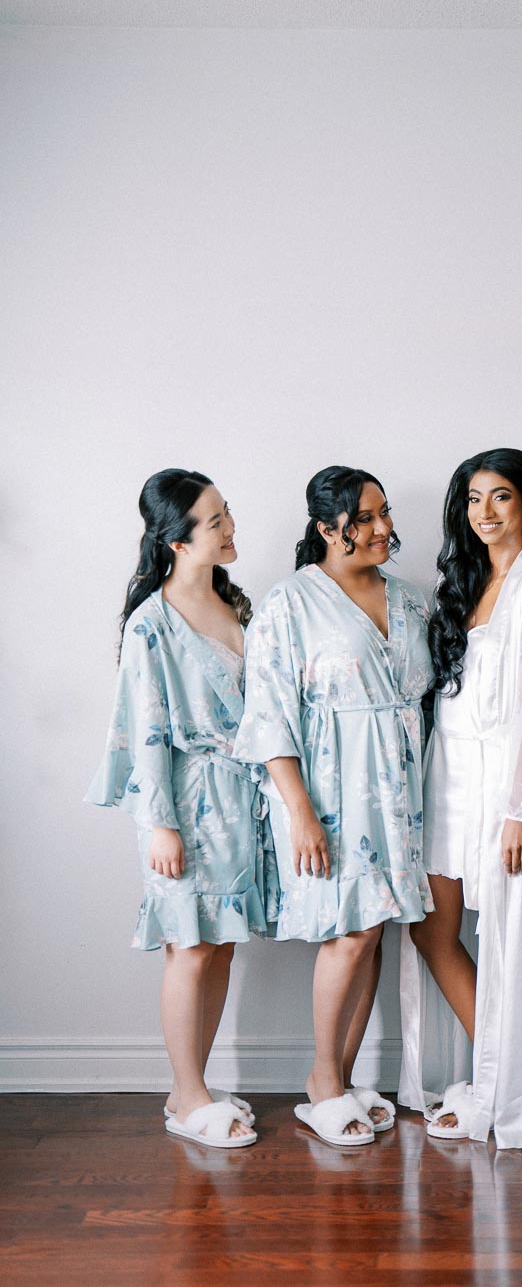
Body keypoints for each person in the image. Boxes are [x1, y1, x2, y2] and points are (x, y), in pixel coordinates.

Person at [233, 466, 434, 1148]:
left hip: (399, 789)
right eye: (365, 518)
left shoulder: (407, 599)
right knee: (347, 931)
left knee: (372, 929)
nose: (383, 528)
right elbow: (269, 716)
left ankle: (341, 1080)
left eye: (384, 512)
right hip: (331, 788)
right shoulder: (289, 604)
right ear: (326, 528)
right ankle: (321, 1081)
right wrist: (300, 811)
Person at [87, 469, 273, 1150]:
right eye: (216, 520)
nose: (230, 527)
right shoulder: (152, 625)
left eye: (227, 513)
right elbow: (148, 733)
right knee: (188, 949)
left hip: (239, 801)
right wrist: (159, 824)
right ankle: (188, 1095)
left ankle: (191, 1087)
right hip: (186, 802)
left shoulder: (234, 605)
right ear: (178, 540)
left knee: (219, 946)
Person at [399, 448, 522, 1148]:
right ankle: (493, 1072)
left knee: (508, 938)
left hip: (505, 779)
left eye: (500, 496)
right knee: (431, 929)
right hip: (449, 774)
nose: (485, 512)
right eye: (474, 499)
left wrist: (521, 810)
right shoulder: (465, 583)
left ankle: (511, 1089)